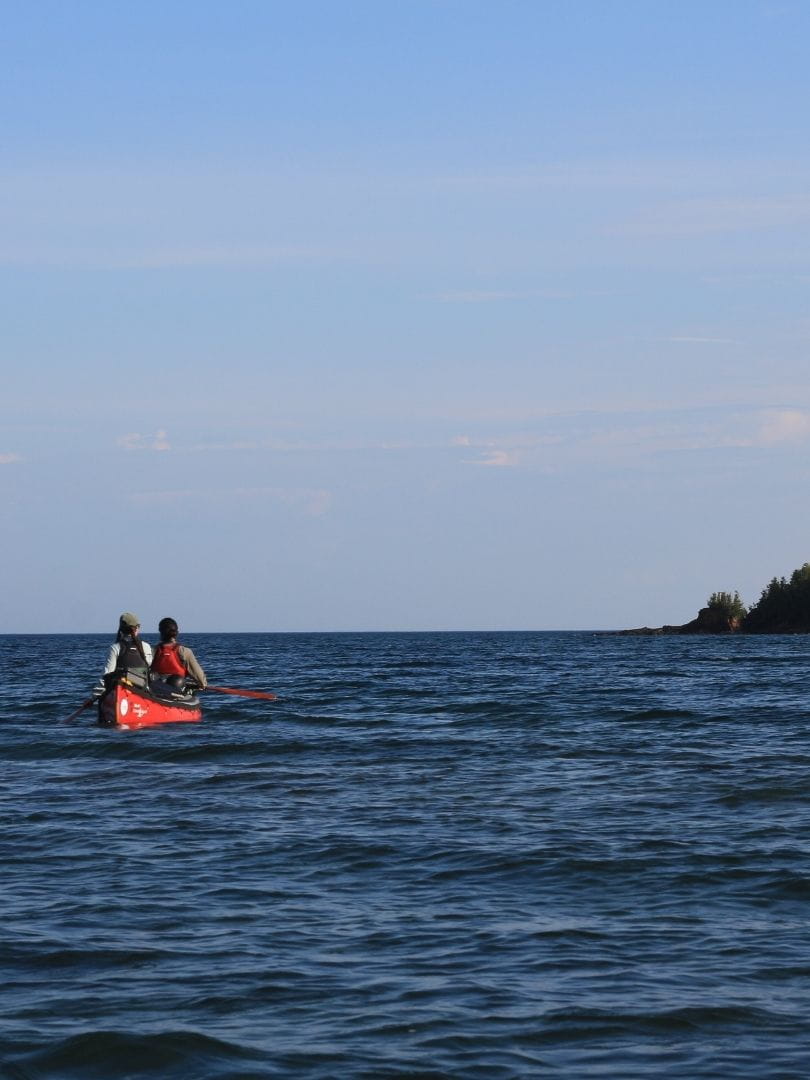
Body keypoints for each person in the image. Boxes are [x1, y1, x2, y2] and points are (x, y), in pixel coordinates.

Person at [95, 612, 153, 695]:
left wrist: (95, 696)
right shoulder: (146, 646)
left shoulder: (115, 648)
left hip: (121, 691)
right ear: (137, 628)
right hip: (142, 691)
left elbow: (106, 676)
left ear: (121, 629)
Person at [150, 617, 207, 692]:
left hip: (156, 691)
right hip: (176, 691)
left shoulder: (153, 651)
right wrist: (202, 684)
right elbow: (200, 679)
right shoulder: (184, 652)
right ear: (176, 632)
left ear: (161, 632)